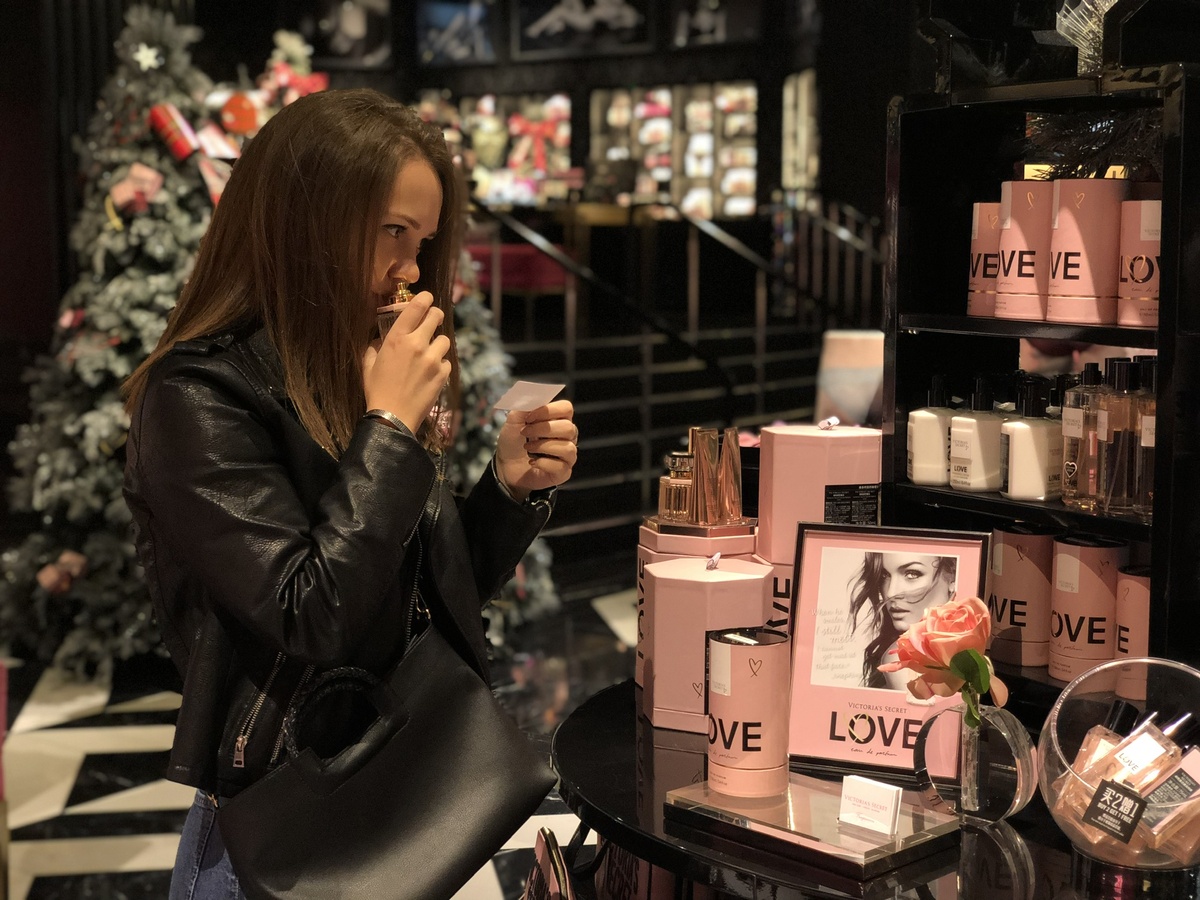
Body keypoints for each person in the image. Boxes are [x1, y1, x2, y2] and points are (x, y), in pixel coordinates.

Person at [122, 88, 577, 900]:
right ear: (304, 221)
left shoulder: (352, 373)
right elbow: (311, 615)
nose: (411, 270)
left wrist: (506, 492)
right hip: (286, 833)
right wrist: (392, 429)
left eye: (423, 241)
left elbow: (411, 600)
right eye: (392, 232)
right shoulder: (197, 396)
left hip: (391, 800)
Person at [847, 553, 957, 689]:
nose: (891, 593)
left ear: (952, 579)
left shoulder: (901, 661)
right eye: (884, 576)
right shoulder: (901, 658)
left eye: (912, 574)